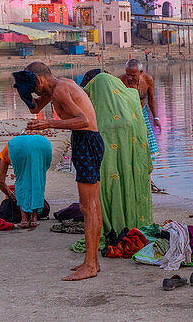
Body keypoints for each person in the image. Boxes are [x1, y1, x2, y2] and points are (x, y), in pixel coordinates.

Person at [18, 61, 103, 281]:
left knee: (88, 207)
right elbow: (35, 108)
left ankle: (91, 265)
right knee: (92, 205)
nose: (37, 93)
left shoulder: (61, 90)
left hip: (87, 140)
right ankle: (91, 261)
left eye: (34, 87)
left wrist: (49, 125)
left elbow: (83, 120)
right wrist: (23, 92)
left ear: (40, 79)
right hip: (86, 141)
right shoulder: (53, 89)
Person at [81, 70, 154, 236]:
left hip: (108, 155)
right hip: (131, 156)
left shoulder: (102, 112)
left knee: (108, 185)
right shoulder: (129, 98)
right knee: (126, 181)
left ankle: (111, 225)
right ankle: (130, 221)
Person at [0, 133, 53, 229]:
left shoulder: (9, 149)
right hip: (44, 145)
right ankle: (34, 219)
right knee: (37, 180)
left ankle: (24, 220)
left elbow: (0, 182)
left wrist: (11, 195)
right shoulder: (38, 143)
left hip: (33, 145)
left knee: (21, 181)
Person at [119, 58, 160, 159]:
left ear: (140, 72)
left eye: (133, 75)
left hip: (142, 114)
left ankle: (147, 173)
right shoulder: (120, 80)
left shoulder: (148, 80)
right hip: (126, 116)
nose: (129, 78)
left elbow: (151, 99)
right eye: (127, 74)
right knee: (129, 149)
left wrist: (155, 118)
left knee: (149, 148)